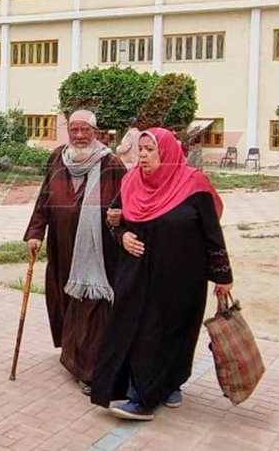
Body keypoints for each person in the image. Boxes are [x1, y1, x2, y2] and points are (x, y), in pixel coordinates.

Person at [90, 127, 233, 421]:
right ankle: (141, 397)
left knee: (176, 332)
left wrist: (222, 276)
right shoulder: (131, 182)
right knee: (141, 332)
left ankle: (170, 384)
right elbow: (114, 220)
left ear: (166, 152)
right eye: (140, 149)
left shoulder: (193, 184)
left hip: (182, 278)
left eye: (150, 149)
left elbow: (212, 233)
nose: (142, 155)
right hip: (137, 273)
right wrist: (121, 235)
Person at [23, 110, 128, 394]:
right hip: (61, 247)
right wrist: (36, 232)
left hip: (96, 252)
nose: (79, 136)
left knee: (90, 306)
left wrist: (121, 219)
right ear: (68, 131)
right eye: (74, 130)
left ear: (96, 132)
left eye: (85, 130)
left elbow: (129, 200)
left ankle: (89, 370)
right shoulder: (57, 158)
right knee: (64, 300)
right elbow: (45, 198)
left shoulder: (111, 164)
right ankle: (72, 354)